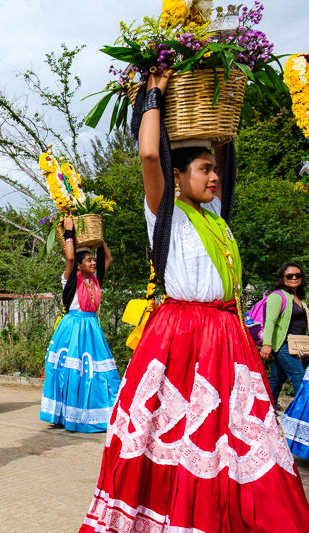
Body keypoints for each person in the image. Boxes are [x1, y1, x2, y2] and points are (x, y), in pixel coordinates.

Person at [80, 70, 309, 532]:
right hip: (182, 335)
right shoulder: (167, 211)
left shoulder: (216, 216)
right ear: (177, 177)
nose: (215, 176)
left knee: (241, 436)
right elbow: (149, 153)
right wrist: (153, 95)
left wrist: (217, 95)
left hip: (227, 336)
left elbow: (227, 153)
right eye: (204, 169)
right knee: (178, 432)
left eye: (214, 169)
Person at [40, 220, 119, 432]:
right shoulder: (70, 279)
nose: (93, 263)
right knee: (72, 372)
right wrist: (68, 232)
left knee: (96, 371)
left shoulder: (95, 279)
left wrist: (99, 238)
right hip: (73, 327)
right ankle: (67, 414)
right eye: (89, 260)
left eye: (93, 260)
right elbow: (69, 257)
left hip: (92, 328)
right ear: (79, 265)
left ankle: (99, 412)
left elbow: (108, 258)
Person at [260, 262, 309, 409]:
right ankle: (303, 414)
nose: (294, 277)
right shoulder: (278, 296)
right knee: (300, 377)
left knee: (276, 379)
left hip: (299, 346)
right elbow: (270, 321)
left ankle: (267, 410)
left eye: (297, 275)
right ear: (283, 278)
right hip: (283, 346)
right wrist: (267, 344)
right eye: (289, 275)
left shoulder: (301, 301)